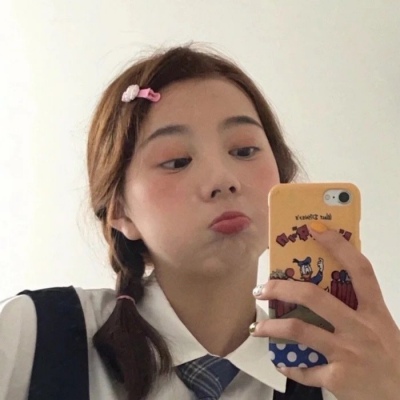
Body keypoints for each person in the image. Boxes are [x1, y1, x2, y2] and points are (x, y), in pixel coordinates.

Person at [0, 44, 399, 400]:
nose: (223, 180)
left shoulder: (341, 379)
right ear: (120, 210)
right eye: (177, 161)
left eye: (244, 150)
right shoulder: (30, 337)